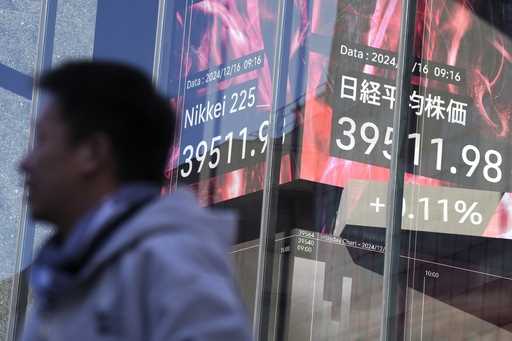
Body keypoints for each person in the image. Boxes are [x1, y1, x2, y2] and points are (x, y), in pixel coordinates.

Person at [19, 61, 252, 341]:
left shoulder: (170, 263)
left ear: (92, 153)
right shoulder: (61, 282)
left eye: (42, 140)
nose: (25, 163)